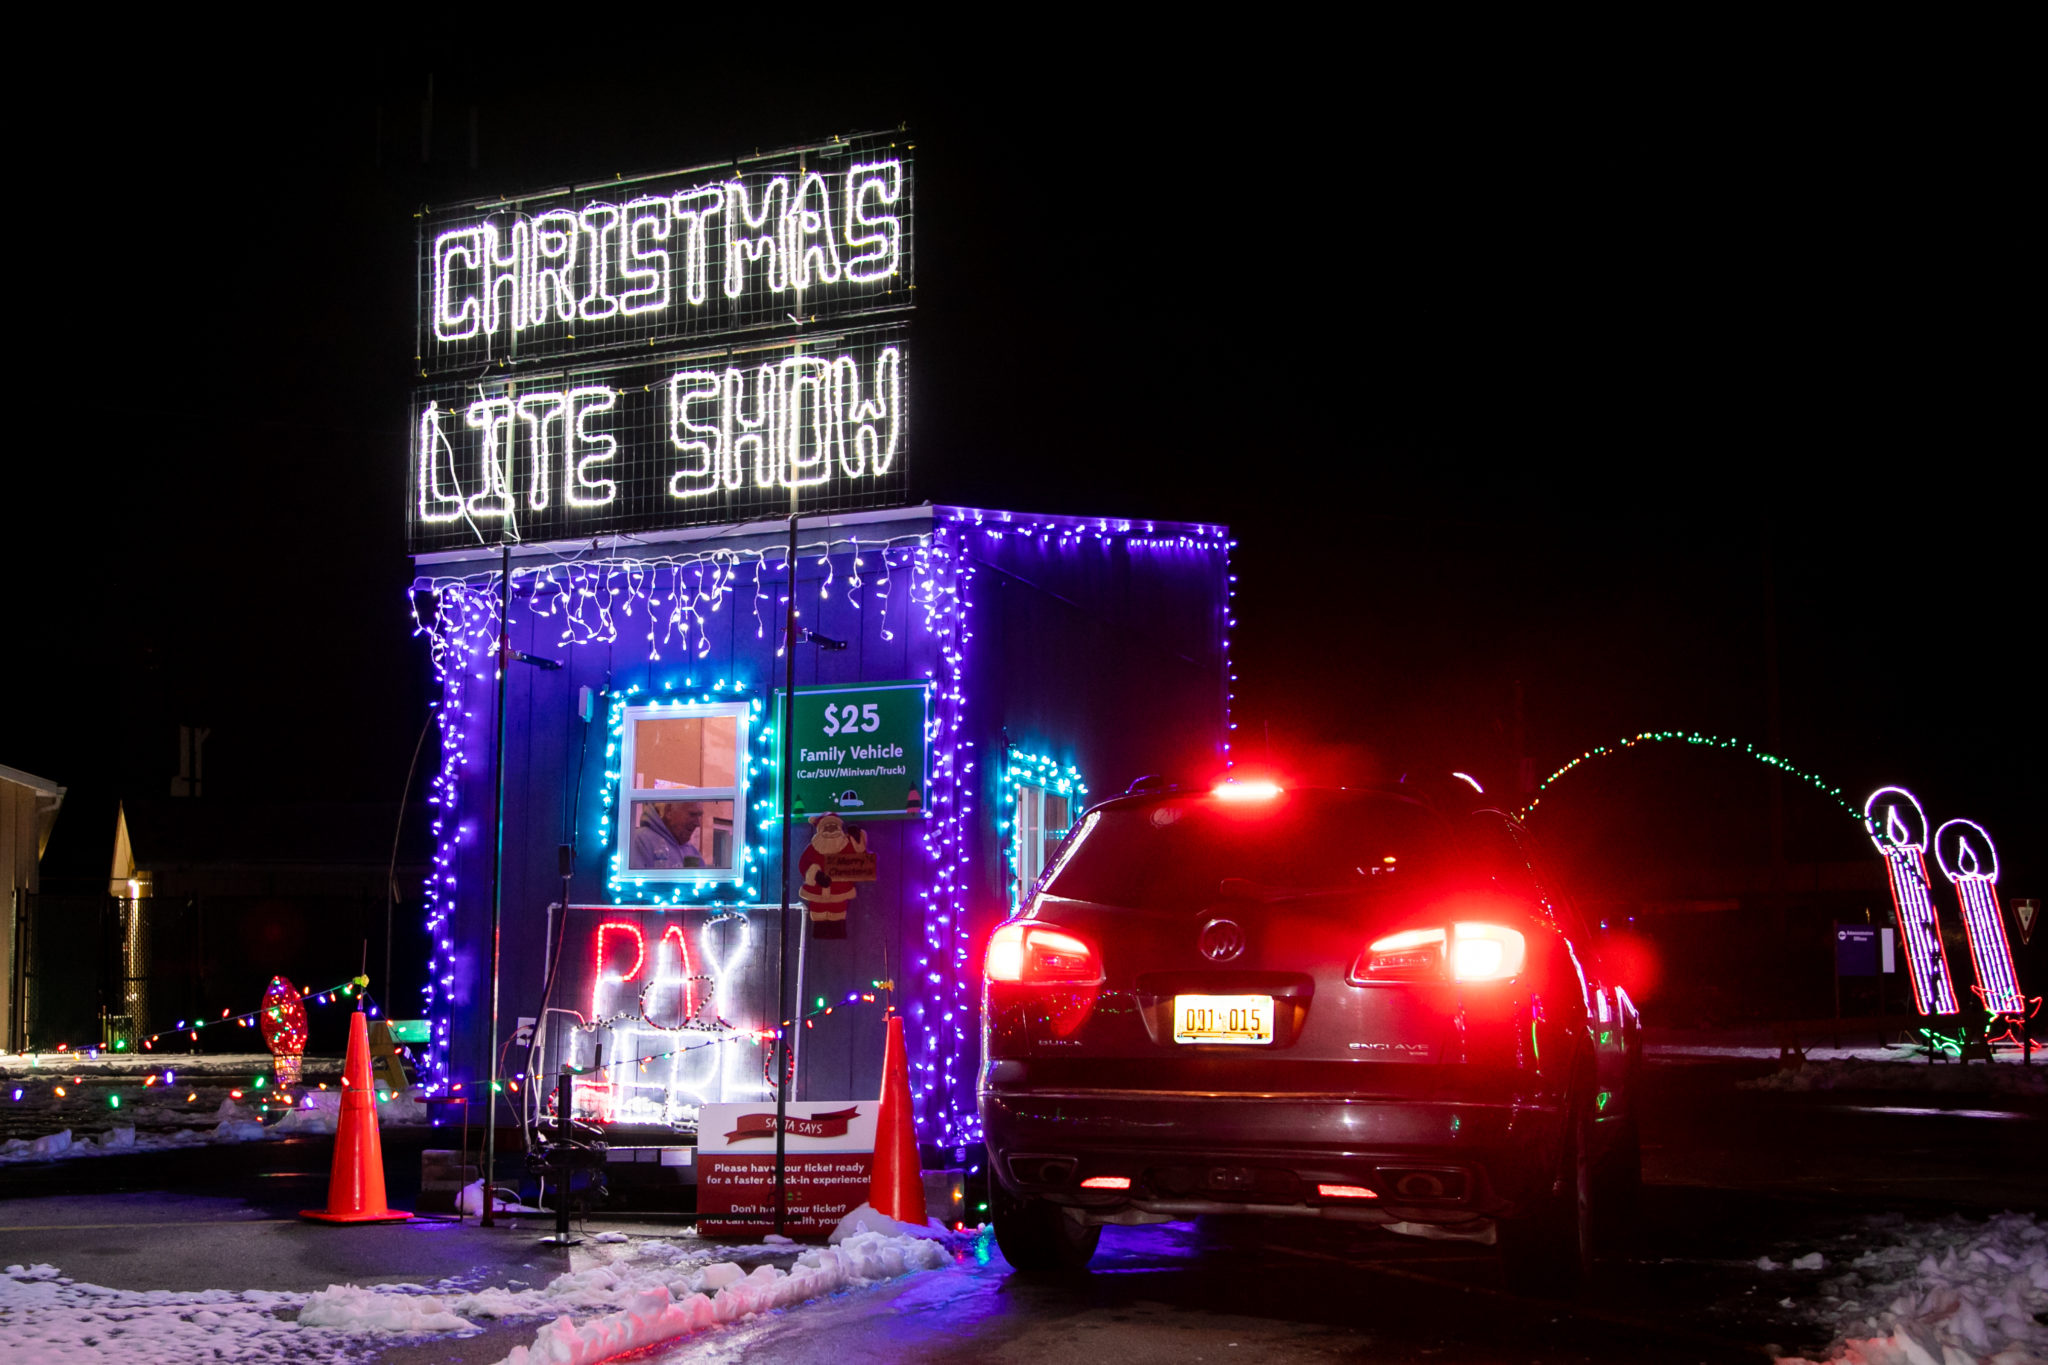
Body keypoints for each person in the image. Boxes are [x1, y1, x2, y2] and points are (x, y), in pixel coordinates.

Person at [632, 802, 706, 869]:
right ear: (669, 811)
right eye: (692, 815)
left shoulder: (691, 850)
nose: (697, 823)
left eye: (699, 815)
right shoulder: (639, 842)